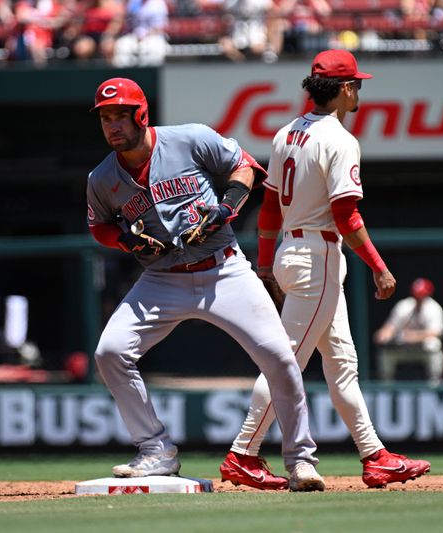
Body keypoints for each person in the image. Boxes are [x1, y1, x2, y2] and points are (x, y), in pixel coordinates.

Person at [86, 77, 325, 492]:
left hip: (224, 270)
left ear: (141, 114)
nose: (113, 126)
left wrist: (226, 207)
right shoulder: (101, 177)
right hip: (161, 278)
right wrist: (125, 239)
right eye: (106, 118)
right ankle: (155, 450)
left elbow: (246, 166)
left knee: (280, 358)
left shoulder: (190, 138)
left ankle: (301, 461)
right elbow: (100, 227)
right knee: (109, 352)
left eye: (121, 116)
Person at [218, 50, 431, 491]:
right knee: (285, 364)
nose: (360, 91)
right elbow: (346, 215)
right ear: (346, 89)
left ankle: (375, 456)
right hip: (319, 256)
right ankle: (243, 452)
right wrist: (379, 267)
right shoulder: (339, 139)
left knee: (342, 364)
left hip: (292, 252)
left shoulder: (286, 134)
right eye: (357, 84)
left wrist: (264, 261)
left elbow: (270, 207)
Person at [374, 277, 443, 384]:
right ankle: (387, 386)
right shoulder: (404, 305)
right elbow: (390, 327)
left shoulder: (434, 308)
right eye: (417, 295)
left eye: (422, 295)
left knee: (434, 344)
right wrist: (384, 334)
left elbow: (436, 332)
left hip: (423, 348)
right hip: (404, 347)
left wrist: (413, 336)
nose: (419, 298)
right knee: (386, 351)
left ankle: (434, 384)